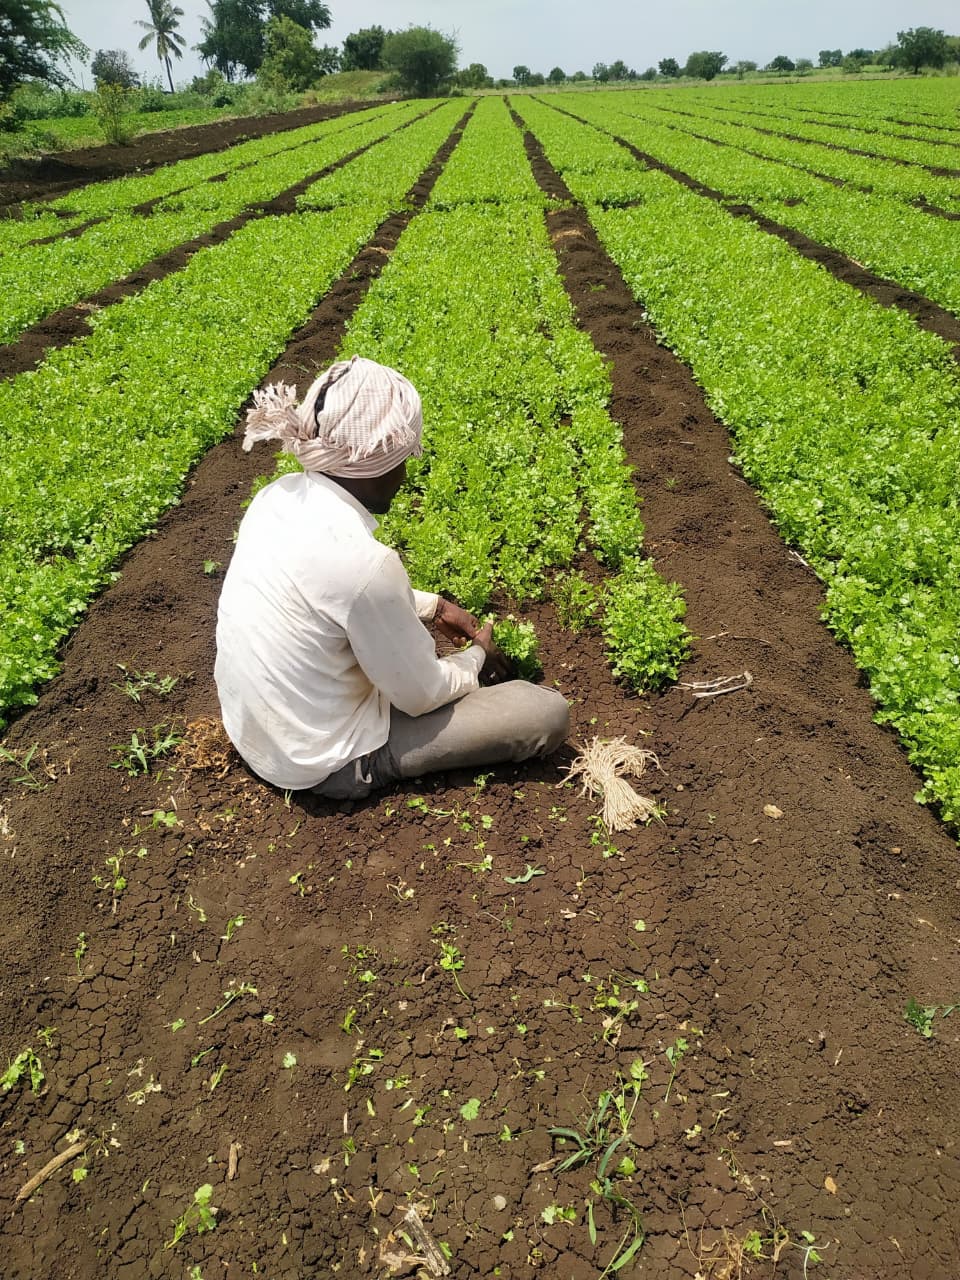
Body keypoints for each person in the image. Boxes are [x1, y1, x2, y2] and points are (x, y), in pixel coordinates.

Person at [214, 355, 570, 799]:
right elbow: (422, 695)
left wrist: (435, 606)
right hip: (325, 761)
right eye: (402, 458)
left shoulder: (275, 497)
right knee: (544, 712)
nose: (404, 474)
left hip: (257, 732)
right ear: (377, 461)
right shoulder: (366, 564)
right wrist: (476, 657)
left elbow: (327, 590)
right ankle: (370, 766)